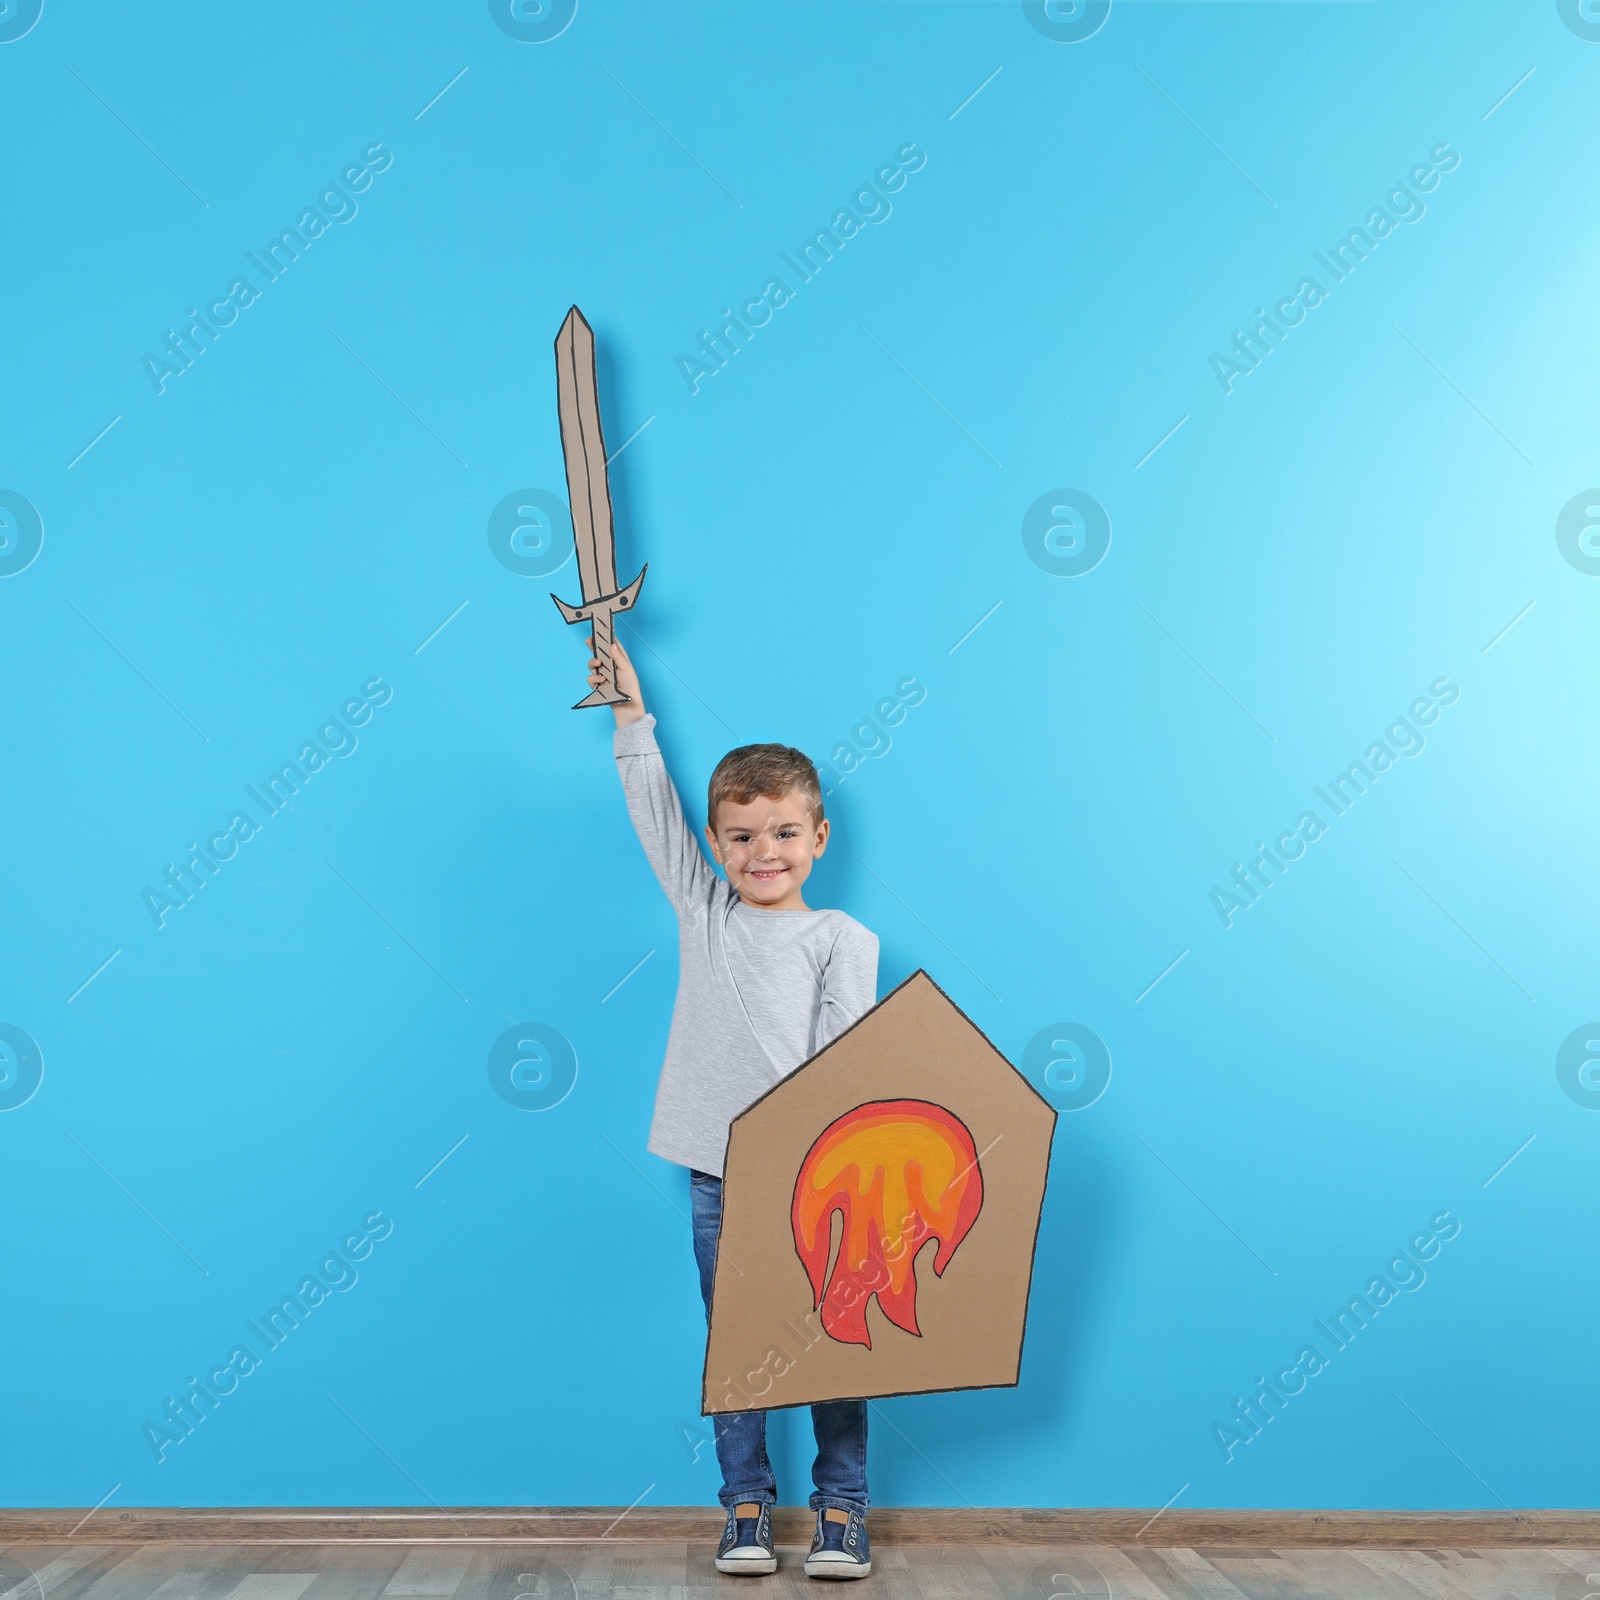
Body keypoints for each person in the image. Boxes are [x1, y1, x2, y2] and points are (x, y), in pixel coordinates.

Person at [590, 635, 879, 1580]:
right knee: (739, 1345)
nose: (765, 852)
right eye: (743, 836)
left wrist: (811, 1154)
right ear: (718, 846)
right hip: (721, 1173)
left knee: (835, 1345)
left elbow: (845, 1060)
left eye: (785, 832)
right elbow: (656, 819)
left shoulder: (843, 938)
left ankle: (842, 1512)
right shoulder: (704, 914)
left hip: (818, 1177)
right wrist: (633, 718)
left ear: (819, 837)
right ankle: (745, 1507)